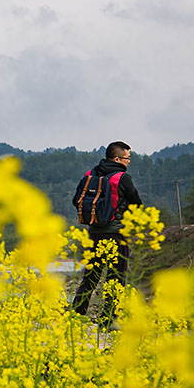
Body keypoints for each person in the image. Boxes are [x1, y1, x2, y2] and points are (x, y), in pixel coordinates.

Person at [70, 141, 143, 330]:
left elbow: (75, 200)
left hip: (93, 233)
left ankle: (76, 315)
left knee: (91, 276)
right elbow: (137, 203)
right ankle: (108, 320)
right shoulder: (122, 177)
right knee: (116, 277)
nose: (128, 162)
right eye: (127, 158)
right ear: (117, 158)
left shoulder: (90, 174)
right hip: (117, 234)